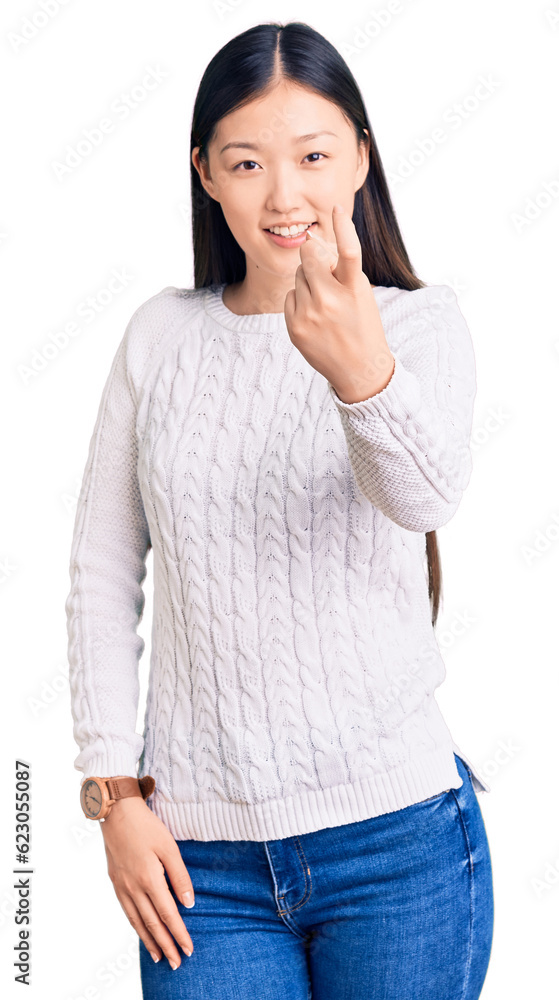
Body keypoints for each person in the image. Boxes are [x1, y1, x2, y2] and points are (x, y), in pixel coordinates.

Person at [66, 20, 494, 1000]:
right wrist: (113, 794)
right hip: (201, 865)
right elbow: (101, 569)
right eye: (247, 162)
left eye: (312, 156)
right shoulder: (159, 338)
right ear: (206, 174)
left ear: (361, 160)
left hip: (397, 849)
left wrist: (359, 371)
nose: (284, 195)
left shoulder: (420, 327)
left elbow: (425, 496)